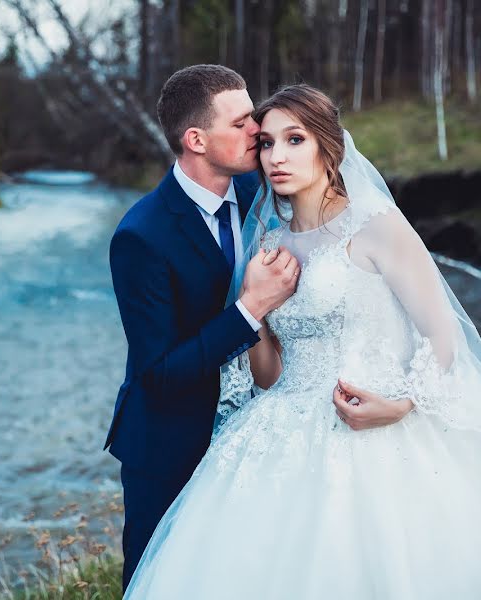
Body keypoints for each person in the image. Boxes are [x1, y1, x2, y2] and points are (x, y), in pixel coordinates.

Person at [124, 83, 481, 599]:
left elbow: (443, 335)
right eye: (266, 143)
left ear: (328, 147)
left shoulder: (378, 228)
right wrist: (256, 304)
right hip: (281, 429)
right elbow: (268, 376)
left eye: (294, 140)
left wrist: (402, 404)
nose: (275, 156)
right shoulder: (267, 239)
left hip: (375, 426)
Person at [106, 64, 307, 590]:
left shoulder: (262, 192)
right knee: (159, 581)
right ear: (196, 139)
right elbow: (158, 374)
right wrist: (249, 310)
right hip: (171, 443)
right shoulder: (141, 236)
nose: (257, 132)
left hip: (264, 433)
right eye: (241, 123)